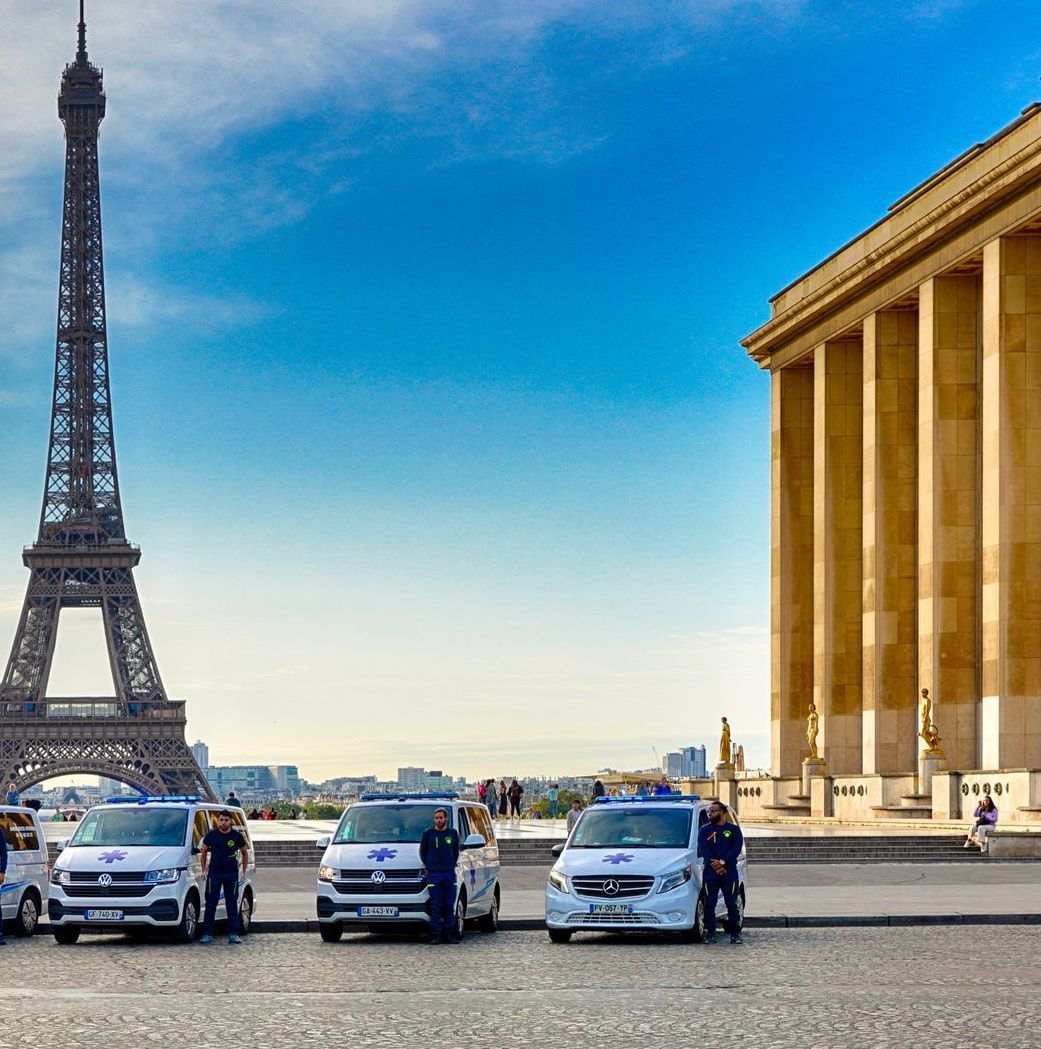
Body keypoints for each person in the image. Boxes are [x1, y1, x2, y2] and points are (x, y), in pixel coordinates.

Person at [696, 801, 744, 945]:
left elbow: (736, 849)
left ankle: (735, 934)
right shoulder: (704, 830)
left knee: (731, 902)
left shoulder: (734, 830)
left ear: (722, 812)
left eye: (714, 811)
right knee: (710, 903)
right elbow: (704, 849)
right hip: (710, 873)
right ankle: (710, 933)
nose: (710, 814)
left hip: (729, 872)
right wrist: (716, 865)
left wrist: (723, 862)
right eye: (709, 812)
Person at [200, 810, 249, 944]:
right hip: (214, 874)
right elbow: (203, 851)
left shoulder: (236, 836)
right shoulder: (211, 835)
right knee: (211, 903)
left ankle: (233, 933)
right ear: (218, 820)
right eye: (221, 820)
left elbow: (245, 852)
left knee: (232, 903)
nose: (223, 822)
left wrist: (244, 870)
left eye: (226, 820)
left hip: (231, 874)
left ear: (230, 821)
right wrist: (204, 869)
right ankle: (207, 933)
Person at [419, 807, 461, 943]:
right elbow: (422, 852)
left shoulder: (452, 833)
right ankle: (435, 935)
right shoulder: (428, 833)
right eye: (436, 818)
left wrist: (450, 863)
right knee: (435, 905)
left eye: (441, 818)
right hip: (434, 874)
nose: (439, 820)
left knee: (449, 905)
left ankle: (449, 935)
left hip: (449, 873)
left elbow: (456, 851)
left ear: (446, 818)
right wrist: (430, 865)